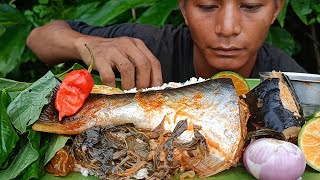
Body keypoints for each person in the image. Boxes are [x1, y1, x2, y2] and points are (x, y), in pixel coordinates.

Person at [27, 0, 306, 90]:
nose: (227, 28)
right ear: (184, 9)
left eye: (250, 6)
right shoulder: (147, 47)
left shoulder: (288, 81)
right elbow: (38, 38)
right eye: (207, 7)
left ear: (275, 10)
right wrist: (90, 45)